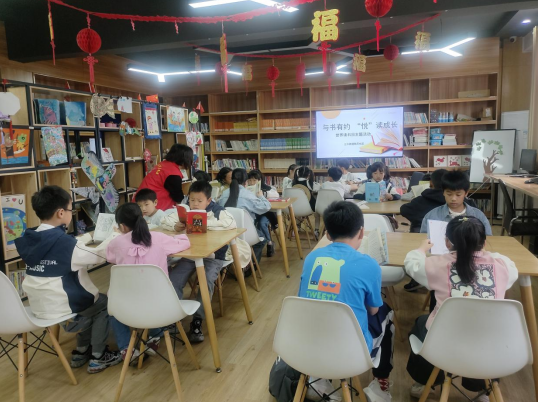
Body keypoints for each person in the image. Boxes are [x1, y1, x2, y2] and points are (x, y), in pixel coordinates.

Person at [404, 216, 517, 400]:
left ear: (447, 243)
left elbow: (412, 264)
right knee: (481, 333)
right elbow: (509, 265)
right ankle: (483, 388)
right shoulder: (503, 266)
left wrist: (421, 249)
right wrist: (489, 254)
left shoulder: (436, 265)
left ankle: (425, 383)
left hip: (446, 345)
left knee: (421, 323)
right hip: (491, 346)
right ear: (484, 242)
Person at [14, 185, 121, 374]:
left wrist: (84, 238)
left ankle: (81, 351)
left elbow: (61, 250)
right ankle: (99, 356)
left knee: (89, 300)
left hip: (38, 305)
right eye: (71, 210)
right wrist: (114, 235)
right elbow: (98, 256)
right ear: (61, 213)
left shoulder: (30, 238)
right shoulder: (66, 244)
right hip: (63, 307)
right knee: (103, 303)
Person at [298, 201, 394, 402]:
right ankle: (380, 383)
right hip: (351, 350)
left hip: (307, 342)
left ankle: (318, 379)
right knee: (386, 312)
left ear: (327, 234)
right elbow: (373, 311)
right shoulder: (369, 265)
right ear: (361, 232)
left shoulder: (311, 258)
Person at [106, 203, 191, 360]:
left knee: (112, 308)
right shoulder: (158, 238)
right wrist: (179, 236)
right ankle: (154, 336)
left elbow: (110, 257)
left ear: (122, 226)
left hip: (126, 305)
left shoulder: (116, 243)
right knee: (154, 295)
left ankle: (126, 348)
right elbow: (184, 243)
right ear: (142, 219)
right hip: (160, 304)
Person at [165, 180, 237, 343]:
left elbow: (231, 223)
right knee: (173, 279)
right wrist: (176, 226)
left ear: (209, 200)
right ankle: (174, 316)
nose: (195, 204)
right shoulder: (186, 209)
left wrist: (204, 224)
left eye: (199, 200)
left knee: (206, 281)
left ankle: (198, 320)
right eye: (192, 200)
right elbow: (165, 220)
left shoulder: (218, 211)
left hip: (213, 256)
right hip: (191, 255)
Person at [219, 168, 271, 263]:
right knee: (262, 240)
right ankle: (250, 265)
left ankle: (237, 261)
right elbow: (266, 207)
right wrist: (261, 196)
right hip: (245, 233)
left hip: (226, 233)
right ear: (246, 181)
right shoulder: (248, 195)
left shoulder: (224, 194)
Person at [420, 170, 491, 235]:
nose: (453, 199)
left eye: (458, 194)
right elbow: (423, 238)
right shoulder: (432, 216)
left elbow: (488, 238)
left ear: (466, 193)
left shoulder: (478, 216)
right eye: (449, 194)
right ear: (443, 192)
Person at [135, 144, 193, 211]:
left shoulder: (164, 164)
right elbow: (178, 197)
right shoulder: (173, 174)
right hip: (151, 208)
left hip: (140, 204)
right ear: (185, 159)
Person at [247, 169, 279, 257]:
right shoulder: (247, 190)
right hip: (254, 213)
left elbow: (276, 195)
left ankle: (269, 243)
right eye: (250, 180)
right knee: (250, 223)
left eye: (254, 180)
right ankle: (253, 244)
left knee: (261, 223)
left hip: (267, 213)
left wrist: (263, 195)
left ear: (259, 180)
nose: (252, 182)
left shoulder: (267, 189)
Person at [292, 165, 321, 237]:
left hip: (295, 207)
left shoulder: (292, 183)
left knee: (298, 210)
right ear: (308, 174)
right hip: (308, 207)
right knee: (317, 211)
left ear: (298, 173)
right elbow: (318, 189)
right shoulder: (310, 183)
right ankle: (316, 230)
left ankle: (297, 227)